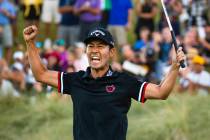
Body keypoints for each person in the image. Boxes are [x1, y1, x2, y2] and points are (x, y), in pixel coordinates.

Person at [23, 25, 186, 140]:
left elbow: (160, 92)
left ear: (112, 52)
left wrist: (174, 67)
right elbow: (41, 74)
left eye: (101, 46)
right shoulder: (76, 80)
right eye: (90, 46)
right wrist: (30, 43)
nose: (94, 50)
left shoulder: (123, 82)